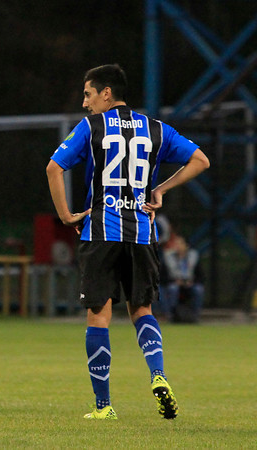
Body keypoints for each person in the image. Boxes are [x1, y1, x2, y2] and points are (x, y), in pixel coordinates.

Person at [46, 64, 209, 420]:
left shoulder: (92, 127)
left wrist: (66, 215)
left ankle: (103, 407)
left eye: (89, 94)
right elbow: (201, 160)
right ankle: (158, 374)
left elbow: (54, 168)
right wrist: (161, 189)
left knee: (98, 316)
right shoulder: (155, 129)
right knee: (142, 311)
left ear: (107, 93)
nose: (86, 103)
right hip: (141, 233)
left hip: (100, 232)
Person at [162, 235, 205, 323]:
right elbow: (162, 277)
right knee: (172, 289)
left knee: (198, 289)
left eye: (180, 243)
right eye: (176, 244)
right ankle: (171, 315)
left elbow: (201, 276)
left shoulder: (193, 257)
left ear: (186, 245)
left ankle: (195, 316)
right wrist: (175, 281)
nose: (177, 246)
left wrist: (192, 282)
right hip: (174, 283)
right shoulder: (168, 257)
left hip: (189, 284)